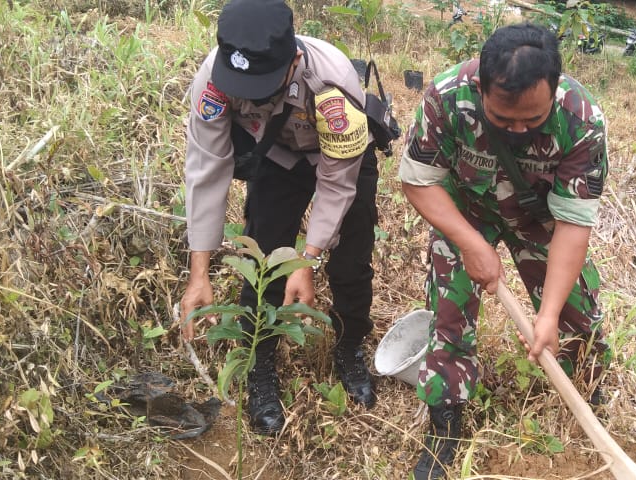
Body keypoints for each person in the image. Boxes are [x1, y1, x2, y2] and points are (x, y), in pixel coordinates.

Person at [399, 23, 613, 479]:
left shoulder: (582, 120)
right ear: (480, 88)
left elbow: (574, 225)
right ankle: (445, 423)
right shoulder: (446, 97)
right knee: (449, 315)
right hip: (465, 211)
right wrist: (472, 244)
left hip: (540, 217)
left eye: (531, 120)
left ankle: (588, 397)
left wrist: (548, 315)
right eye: (503, 118)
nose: (518, 129)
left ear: (554, 91)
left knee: (577, 318)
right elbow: (417, 180)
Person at [178, 0, 378, 436]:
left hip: (342, 161)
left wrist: (308, 260)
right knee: (264, 260)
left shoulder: (333, 83)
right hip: (280, 155)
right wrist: (199, 271)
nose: (249, 96)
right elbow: (206, 168)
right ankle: (260, 363)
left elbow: (336, 183)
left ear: (295, 62)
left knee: (351, 259)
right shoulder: (213, 81)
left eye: (262, 86)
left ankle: (348, 346)